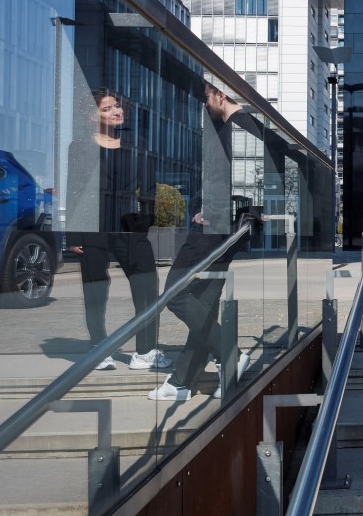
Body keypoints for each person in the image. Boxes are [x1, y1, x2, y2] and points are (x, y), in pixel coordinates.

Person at [149, 80, 260, 401]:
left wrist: (209, 212)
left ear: (220, 94)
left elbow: (245, 179)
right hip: (225, 229)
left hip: (214, 230)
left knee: (175, 294)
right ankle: (182, 381)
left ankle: (230, 354)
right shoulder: (235, 126)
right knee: (205, 306)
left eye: (207, 97)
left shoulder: (239, 126)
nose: (205, 103)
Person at [65, 88, 170, 372]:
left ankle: (145, 351)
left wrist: (145, 222)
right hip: (93, 226)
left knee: (147, 286)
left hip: (129, 224)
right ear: (92, 116)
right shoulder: (79, 147)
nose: (116, 111)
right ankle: (99, 349)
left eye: (117, 106)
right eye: (107, 108)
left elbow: (148, 189)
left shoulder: (138, 144)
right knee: (95, 290)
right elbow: (74, 191)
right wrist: (73, 235)